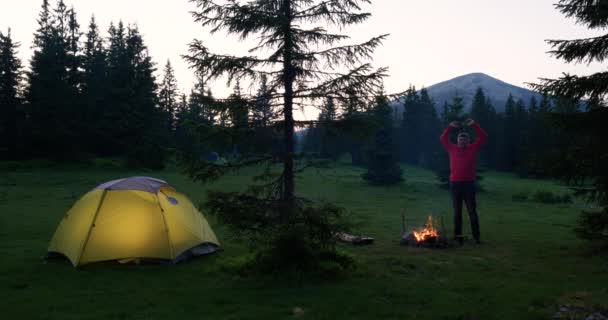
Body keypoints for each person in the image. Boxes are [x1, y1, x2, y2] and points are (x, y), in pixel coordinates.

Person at [440, 118, 488, 245]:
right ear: (457, 141)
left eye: (464, 140)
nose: (462, 142)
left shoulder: (473, 148)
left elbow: (483, 136)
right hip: (455, 184)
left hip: (469, 184)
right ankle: (458, 237)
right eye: (460, 140)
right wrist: (450, 127)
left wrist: (474, 125)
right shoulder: (452, 148)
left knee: (472, 211)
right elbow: (443, 139)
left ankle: (476, 237)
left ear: (468, 141)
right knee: (457, 212)